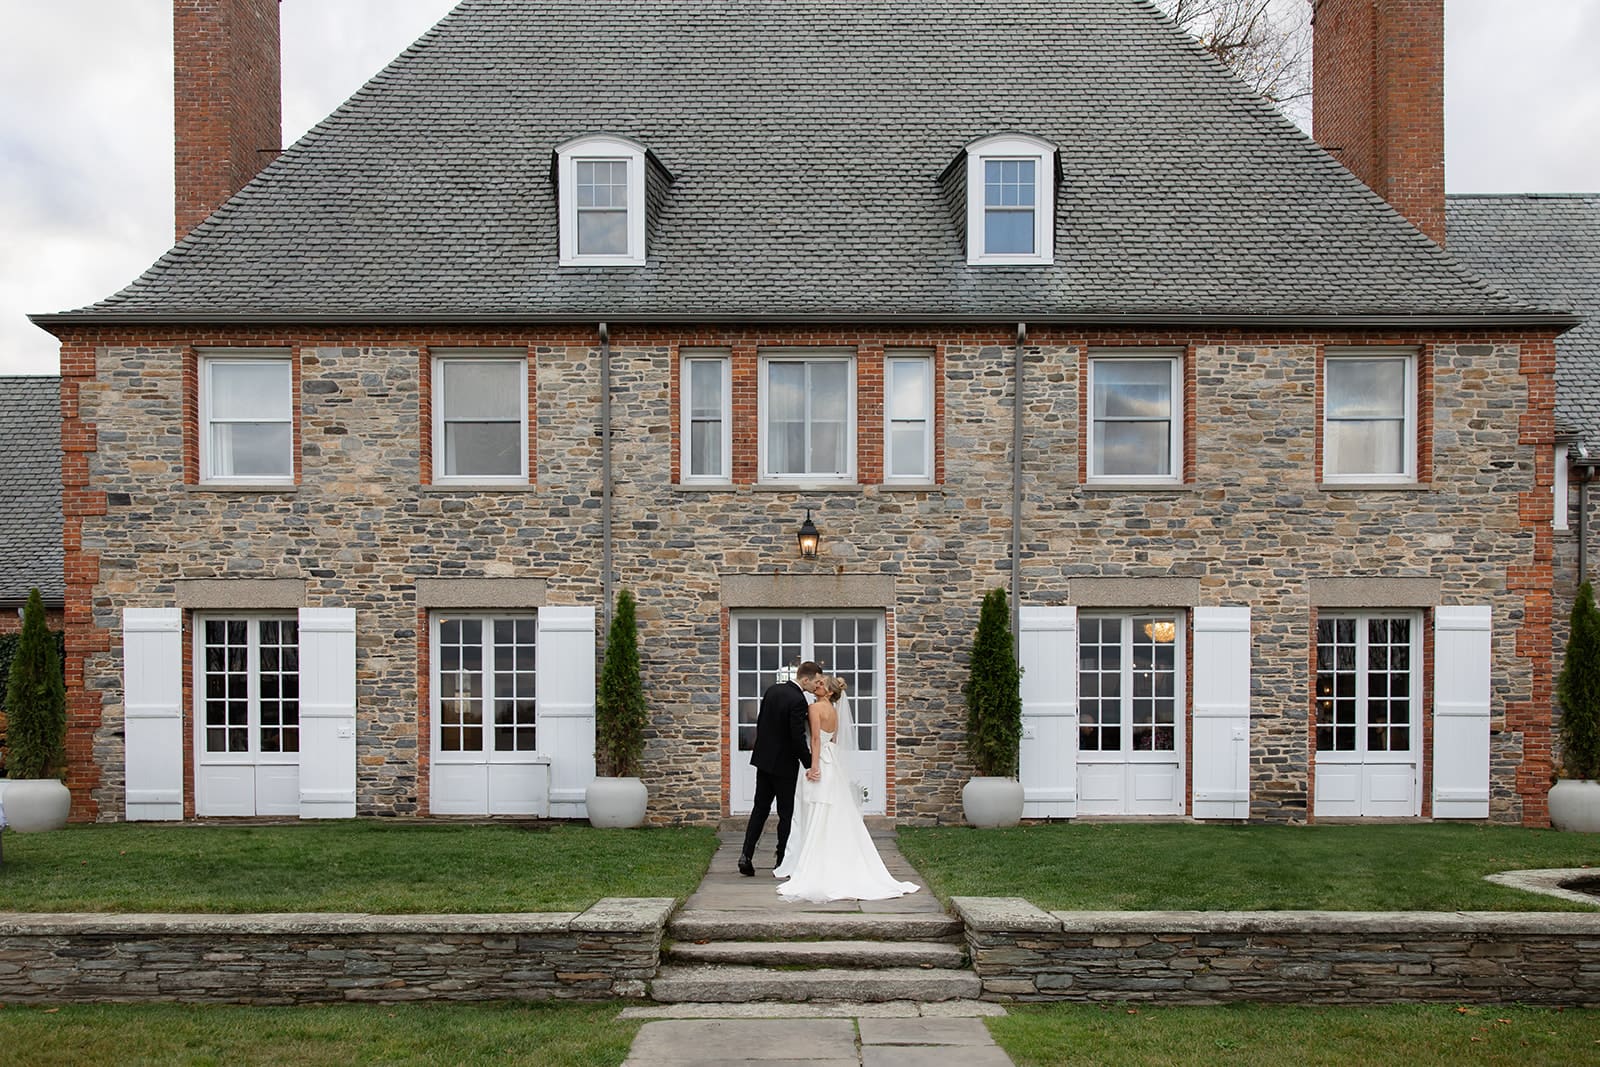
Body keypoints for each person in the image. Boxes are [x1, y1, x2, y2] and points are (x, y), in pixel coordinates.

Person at [774, 674, 920, 902]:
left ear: (829, 692)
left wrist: (813, 767)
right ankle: (829, 860)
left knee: (815, 813)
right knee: (830, 814)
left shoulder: (814, 709)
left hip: (820, 763)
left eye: (821, 684)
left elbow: (815, 740)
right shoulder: (833, 711)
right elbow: (833, 740)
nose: (816, 685)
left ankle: (816, 864)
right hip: (832, 765)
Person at [737, 660, 818, 877]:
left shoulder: (772, 691)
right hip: (784, 765)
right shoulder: (799, 700)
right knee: (785, 813)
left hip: (763, 760)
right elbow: (796, 737)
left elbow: (762, 723)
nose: (815, 687)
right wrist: (810, 763)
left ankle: (746, 855)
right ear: (805, 679)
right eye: (815, 682)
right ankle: (781, 860)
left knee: (759, 810)